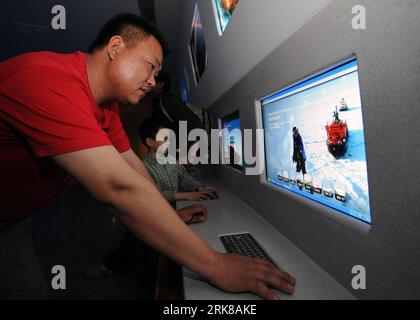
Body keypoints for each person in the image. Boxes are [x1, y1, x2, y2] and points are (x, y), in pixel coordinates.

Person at [0, 13, 296, 300]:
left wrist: (168, 215)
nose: (153, 82)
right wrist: (215, 264)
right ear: (116, 47)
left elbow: (136, 174)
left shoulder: (107, 109)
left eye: (157, 75)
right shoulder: (49, 79)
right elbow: (117, 188)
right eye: (150, 67)